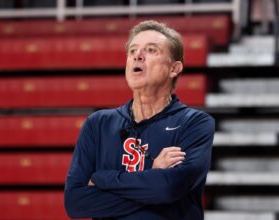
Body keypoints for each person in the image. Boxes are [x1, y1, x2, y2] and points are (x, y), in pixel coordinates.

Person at [64, 20, 215, 220]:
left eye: (151, 50)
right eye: (132, 50)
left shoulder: (195, 123)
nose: (138, 55)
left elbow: (167, 189)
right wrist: (152, 175)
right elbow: (76, 203)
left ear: (174, 68)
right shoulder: (98, 124)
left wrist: (102, 178)